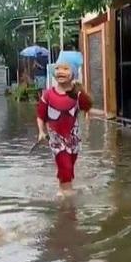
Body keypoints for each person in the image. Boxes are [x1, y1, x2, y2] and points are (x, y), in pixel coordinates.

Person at [36, 56, 93, 198]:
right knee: (65, 166)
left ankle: (63, 190)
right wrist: (41, 132)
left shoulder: (77, 95)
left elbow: (87, 107)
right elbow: (40, 116)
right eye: (57, 68)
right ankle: (67, 200)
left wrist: (86, 110)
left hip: (73, 139)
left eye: (65, 69)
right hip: (56, 139)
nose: (60, 71)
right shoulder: (48, 95)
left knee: (69, 168)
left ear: (73, 73)